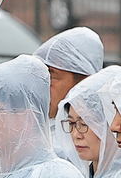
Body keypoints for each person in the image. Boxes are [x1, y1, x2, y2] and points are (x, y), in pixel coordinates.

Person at [34, 27, 105, 161]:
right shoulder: (37, 129)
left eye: (52, 78)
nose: (43, 86)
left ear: (84, 82)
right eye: (40, 77)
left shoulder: (94, 142)